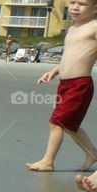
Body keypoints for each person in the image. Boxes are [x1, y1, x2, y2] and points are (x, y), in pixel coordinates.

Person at [27, 0, 97, 173]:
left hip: (80, 85)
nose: (75, 7)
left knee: (57, 122)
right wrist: (54, 71)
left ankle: (48, 161)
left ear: (95, 7)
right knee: (68, 124)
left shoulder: (94, 27)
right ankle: (92, 153)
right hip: (64, 84)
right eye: (72, 2)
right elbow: (69, 57)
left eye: (81, 4)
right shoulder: (72, 29)